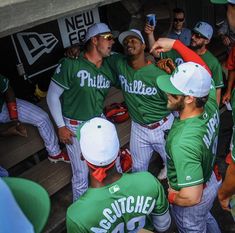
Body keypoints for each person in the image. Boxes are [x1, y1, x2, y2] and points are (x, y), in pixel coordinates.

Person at [150, 38, 222, 232]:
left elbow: (191, 197)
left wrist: (171, 195)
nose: (167, 92)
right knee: (207, 218)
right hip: (211, 179)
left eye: (174, 91)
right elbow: (203, 71)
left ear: (190, 98)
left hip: (194, 197)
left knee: (194, 226)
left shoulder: (182, 141)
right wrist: (175, 44)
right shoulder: (209, 99)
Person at [47, 23, 117, 201]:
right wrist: (61, 126)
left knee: (109, 165)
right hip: (74, 126)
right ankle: (81, 215)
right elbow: (52, 96)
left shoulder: (109, 65)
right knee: (80, 173)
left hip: (98, 122)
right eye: (108, 38)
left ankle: (110, 205)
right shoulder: (72, 63)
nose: (112, 42)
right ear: (94, 40)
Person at [66, 117, 171, 233]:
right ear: (119, 152)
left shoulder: (76, 215)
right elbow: (163, 225)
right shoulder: (148, 181)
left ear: (82, 156)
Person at [106, 29, 175, 180]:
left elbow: (177, 102)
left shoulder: (158, 73)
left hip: (163, 126)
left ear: (143, 46)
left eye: (133, 40)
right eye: (125, 42)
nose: (128, 44)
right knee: (138, 169)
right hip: (138, 128)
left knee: (174, 166)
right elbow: (100, 53)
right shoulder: (120, 63)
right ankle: (143, 201)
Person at [145, 21, 224, 105]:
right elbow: (155, 52)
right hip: (175, 101)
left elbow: (217, 90)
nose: (193, 37)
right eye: (193, 33)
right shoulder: (180, 50)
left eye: (198, 36)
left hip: (194, 105)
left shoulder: (213, 62)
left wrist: (215, 112)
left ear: (207, 41)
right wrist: (150, 34)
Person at [0, 74, 69, 163]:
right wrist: (5, 131)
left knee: (42, 117)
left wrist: (15, 120)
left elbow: (8, 90)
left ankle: (55, 153)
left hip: (3, 107)